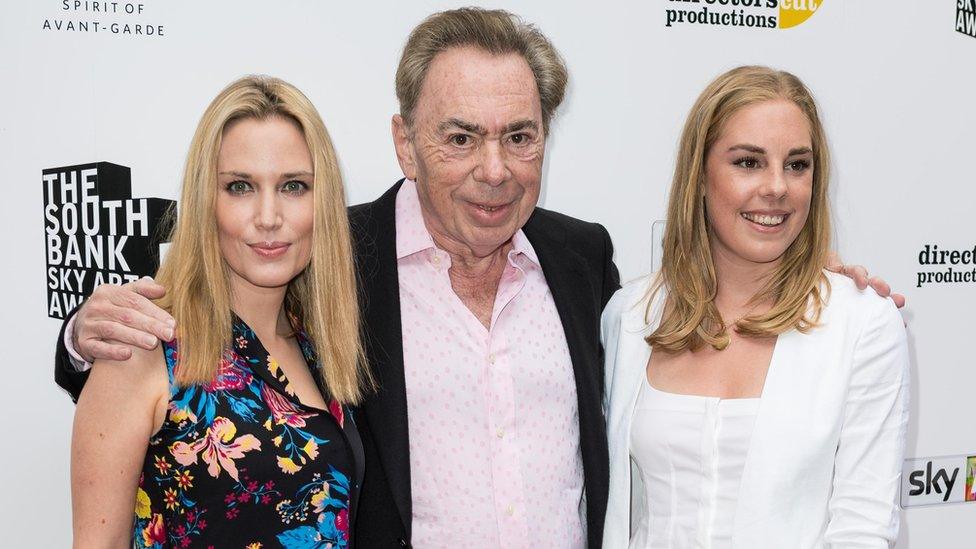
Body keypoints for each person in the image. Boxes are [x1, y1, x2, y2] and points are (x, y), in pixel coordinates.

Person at [56, 10, 900, 549]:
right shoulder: (333, 256)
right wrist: (82, 332)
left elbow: (697, 315)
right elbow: (210, 352)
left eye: (520, 136)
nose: (494, 170)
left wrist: (811, 275)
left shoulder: (585, 265)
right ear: (404, 141)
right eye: (460, 137)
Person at [601, 66, 910, 548]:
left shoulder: (862, 322)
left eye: (797, 165)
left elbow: (863, 529)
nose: (777, 187)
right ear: (699, 176)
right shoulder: (631, 315)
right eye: (748, 162)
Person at [70, 76, 370, 548]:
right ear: (205, 201)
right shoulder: (145, 348)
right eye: (240, 187)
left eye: (293, 186)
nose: (268, 216)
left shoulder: (318, 344)